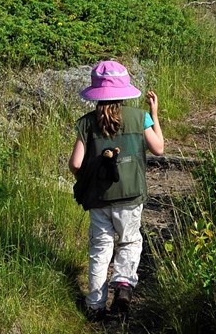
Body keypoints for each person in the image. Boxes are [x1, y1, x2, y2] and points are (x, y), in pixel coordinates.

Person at [68, 60, 164, 322]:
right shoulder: (138, 117)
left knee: (100, 249)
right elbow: (158, 148)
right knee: (130, 241)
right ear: (124, 91)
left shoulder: (86, 124)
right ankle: (123, 285)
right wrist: (154, 115)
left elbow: (75, 163)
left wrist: (91, 178)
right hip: (131, 197)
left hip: (99, 200)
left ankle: (95, 306)